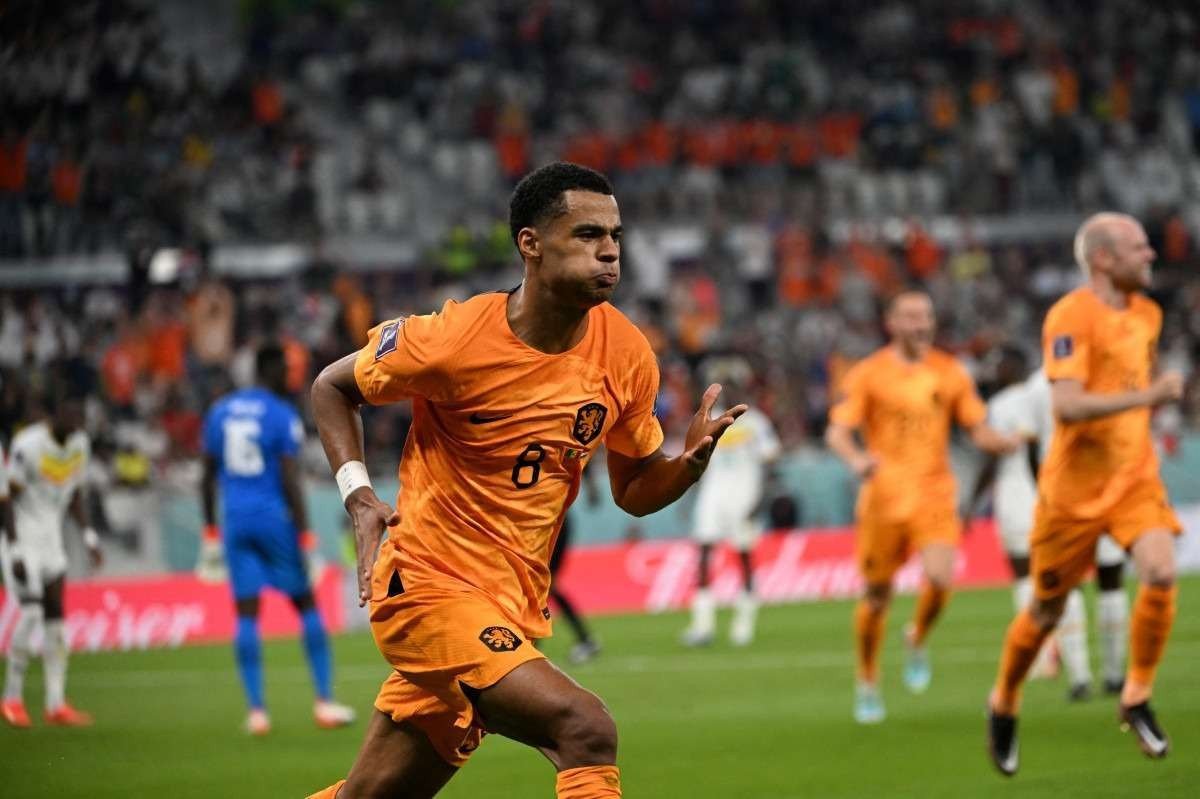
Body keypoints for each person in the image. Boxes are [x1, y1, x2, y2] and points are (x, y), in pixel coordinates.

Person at [306, 162, 745, 799]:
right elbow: (332, 386)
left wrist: (687, 466)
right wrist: (359, 496)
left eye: (616, 236)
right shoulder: (453, 339)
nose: (610, 251)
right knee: (584, 728)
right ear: (531, 244)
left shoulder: (626, 354)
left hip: (509, 602)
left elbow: (634, 489)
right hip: (426, 588)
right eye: (588, 234)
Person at [987, 213, 1184, 775]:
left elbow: (1132, 385)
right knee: (1046, 610)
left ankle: (1136, 696)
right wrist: (1148, 398)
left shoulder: (1147, 314)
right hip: (1072, 494)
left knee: (1160, 571)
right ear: (1103, 258)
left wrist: (1146, 410)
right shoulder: (1070, 316)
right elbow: (1068, 405)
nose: (1150, 255)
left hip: (1134, 479)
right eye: (1139, 247)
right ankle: (1004, 700)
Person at [825, 289, 1020, 725]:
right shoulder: (868, 373)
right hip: (883, 498)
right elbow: (837, 431)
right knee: (877, 598)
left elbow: (976, 426)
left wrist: (1001, 442)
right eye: (911, 317)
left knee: (941, 577)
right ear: (891, 323)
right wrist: (857, 460)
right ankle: (867, 678)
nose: (921, 324)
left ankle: (916, 636)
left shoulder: (950, 372)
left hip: (934, 492)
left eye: (926, 316)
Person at [200, 344, 355, 735]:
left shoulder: (220, 411)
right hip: (273, 520)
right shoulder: (280, 414)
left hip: (235, 520)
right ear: (270, 370)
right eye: (286, 370)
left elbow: (205, 475)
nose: (290, 377)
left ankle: (257, 712)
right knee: (306, 604)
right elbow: (289, 479)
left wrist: (211, 532)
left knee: (246, 614)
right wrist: (305, 538)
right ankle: (324, 701)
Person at [970, 347, 1129, 701]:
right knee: (1110, 578)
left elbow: (1030, 449)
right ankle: (1115, 676)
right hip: (1107, 486)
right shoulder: (1108, 372)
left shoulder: (1035, 389)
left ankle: (1079, 676)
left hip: (1058, 495)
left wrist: (1046, 496)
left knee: (1062, 581)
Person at [1, 381, 102, 727]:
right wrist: (13, 547)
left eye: (81, 416)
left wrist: (88, 536)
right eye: (71, 414)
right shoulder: (28, 445)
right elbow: (6, 499)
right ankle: (11, 698)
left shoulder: (80, 445)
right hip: (23, 537)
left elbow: (75, 495)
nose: (77, 422)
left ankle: (55, 703)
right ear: (55, 414)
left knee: (56, 619)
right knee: (31, 612)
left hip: (52, 540)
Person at [681, 360, 782, 648]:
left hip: (744, 495)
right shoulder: (711, 421)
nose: (731, 391)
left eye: (735, 385)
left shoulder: (756, 423)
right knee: (703, 553)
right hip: (713, 494)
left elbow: (770, 464)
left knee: (744, 556)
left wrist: (760, 501)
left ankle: (743, 624)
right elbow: (695, 460)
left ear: (744, 388)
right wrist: (689, 494)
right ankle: (703, 625)